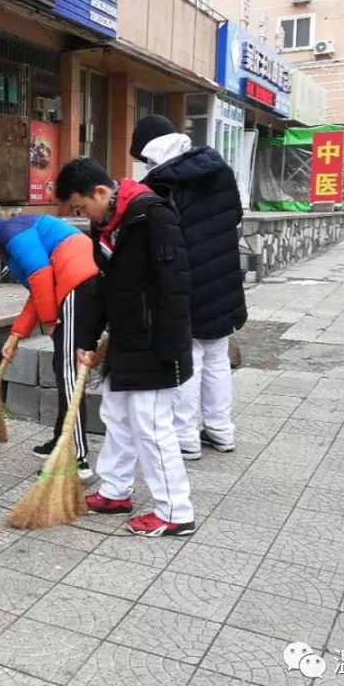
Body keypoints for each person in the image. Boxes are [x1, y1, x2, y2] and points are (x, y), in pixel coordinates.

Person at [55, 157, 196, 537]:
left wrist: (168, 348)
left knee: (151, 425)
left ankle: (175, 511)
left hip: (154, 341)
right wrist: (87, 339)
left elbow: (175, 284)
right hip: (125, 339)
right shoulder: (105, 226)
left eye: (83, 206)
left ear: (100, 192)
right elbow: (104, 288)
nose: (85, 215)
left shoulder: (152, 216)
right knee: (117, 415)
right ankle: (116, 491)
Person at [134, 115, 247, 460]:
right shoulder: (219, 169)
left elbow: (160, 239)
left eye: (146, 159)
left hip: (188, 282)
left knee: (189, 358)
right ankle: (220, 430)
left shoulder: (164, 184)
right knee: (216, 357)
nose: (145, 166)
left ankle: (185, 437)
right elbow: (236, 216)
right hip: (225, 277)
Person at [0, 214, 101, 479]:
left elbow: (42, 277)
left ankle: (76, 457)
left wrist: (51, 322)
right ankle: (59, 440)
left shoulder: (11, 233)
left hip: (78, 281)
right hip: (71, 283)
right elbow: (36, 294)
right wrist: (15, 337)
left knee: (67, 372)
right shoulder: (13, 246)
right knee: (62, 367)